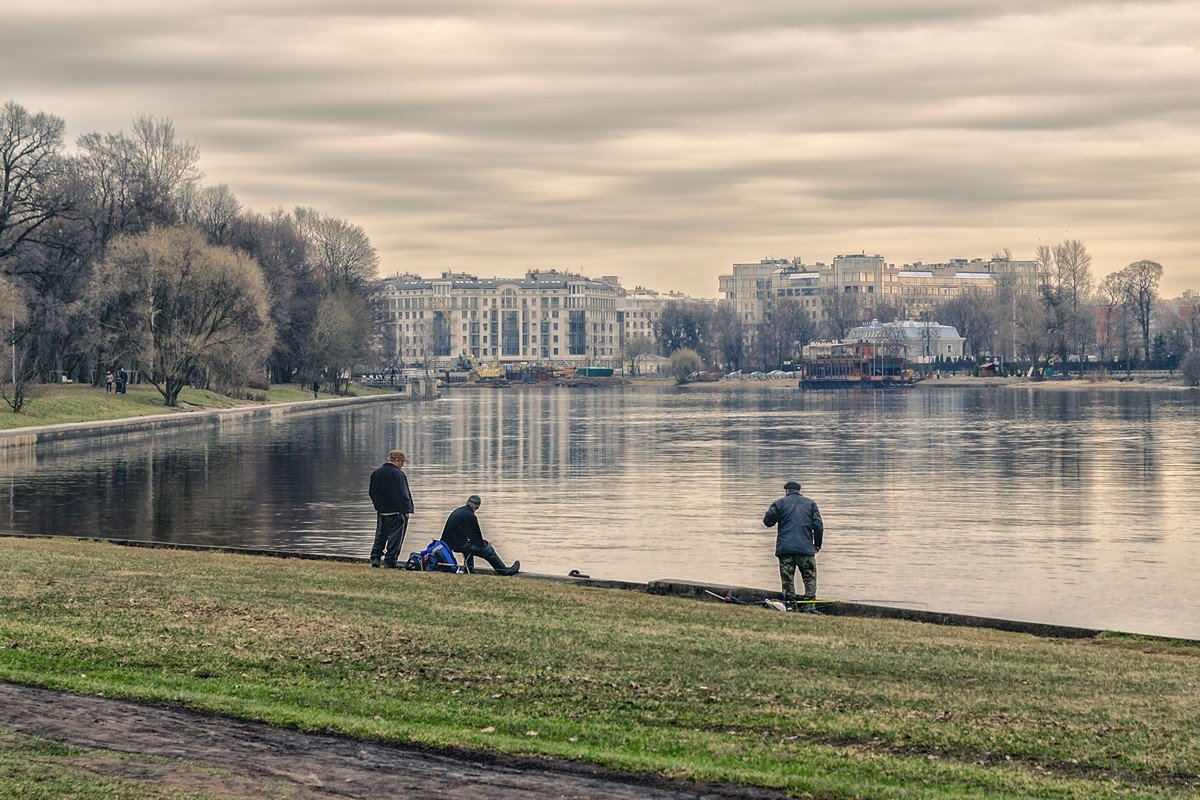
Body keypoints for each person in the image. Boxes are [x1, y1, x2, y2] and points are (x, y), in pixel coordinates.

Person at [762, 480, 824, 605]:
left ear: (786, 491)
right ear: (799, 491)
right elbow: (818, 526)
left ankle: (790, 605)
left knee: (787, 581)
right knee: (809, 580)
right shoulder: (810, 504)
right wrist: (817, 545)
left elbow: (768, 522)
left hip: (785, 550)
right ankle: (809, 606)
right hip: (805, 550)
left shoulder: (779, 503)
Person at [439, 495, 520, 575]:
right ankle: (504, 571)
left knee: (469, 545)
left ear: (467, 502)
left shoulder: (458, 511)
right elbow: (478, 541)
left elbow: (470, 536)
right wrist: (485, 544)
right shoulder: (471, 516)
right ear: (477, 507)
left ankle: (469, 569)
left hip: (447, 544)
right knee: (488, 550)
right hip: (458, 545)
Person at [369, 449, 414, 568]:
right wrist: (407, 510)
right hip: (397, 512)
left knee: (380, 535)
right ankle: (390, 561)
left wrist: (377, 505)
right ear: (397, 461)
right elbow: (404, 494)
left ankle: (376, 558)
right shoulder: (399, 475)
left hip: (381, 511)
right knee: (395, 538)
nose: (403, 465)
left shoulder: (376, 473)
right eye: (402, 462)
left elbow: (371, 492)